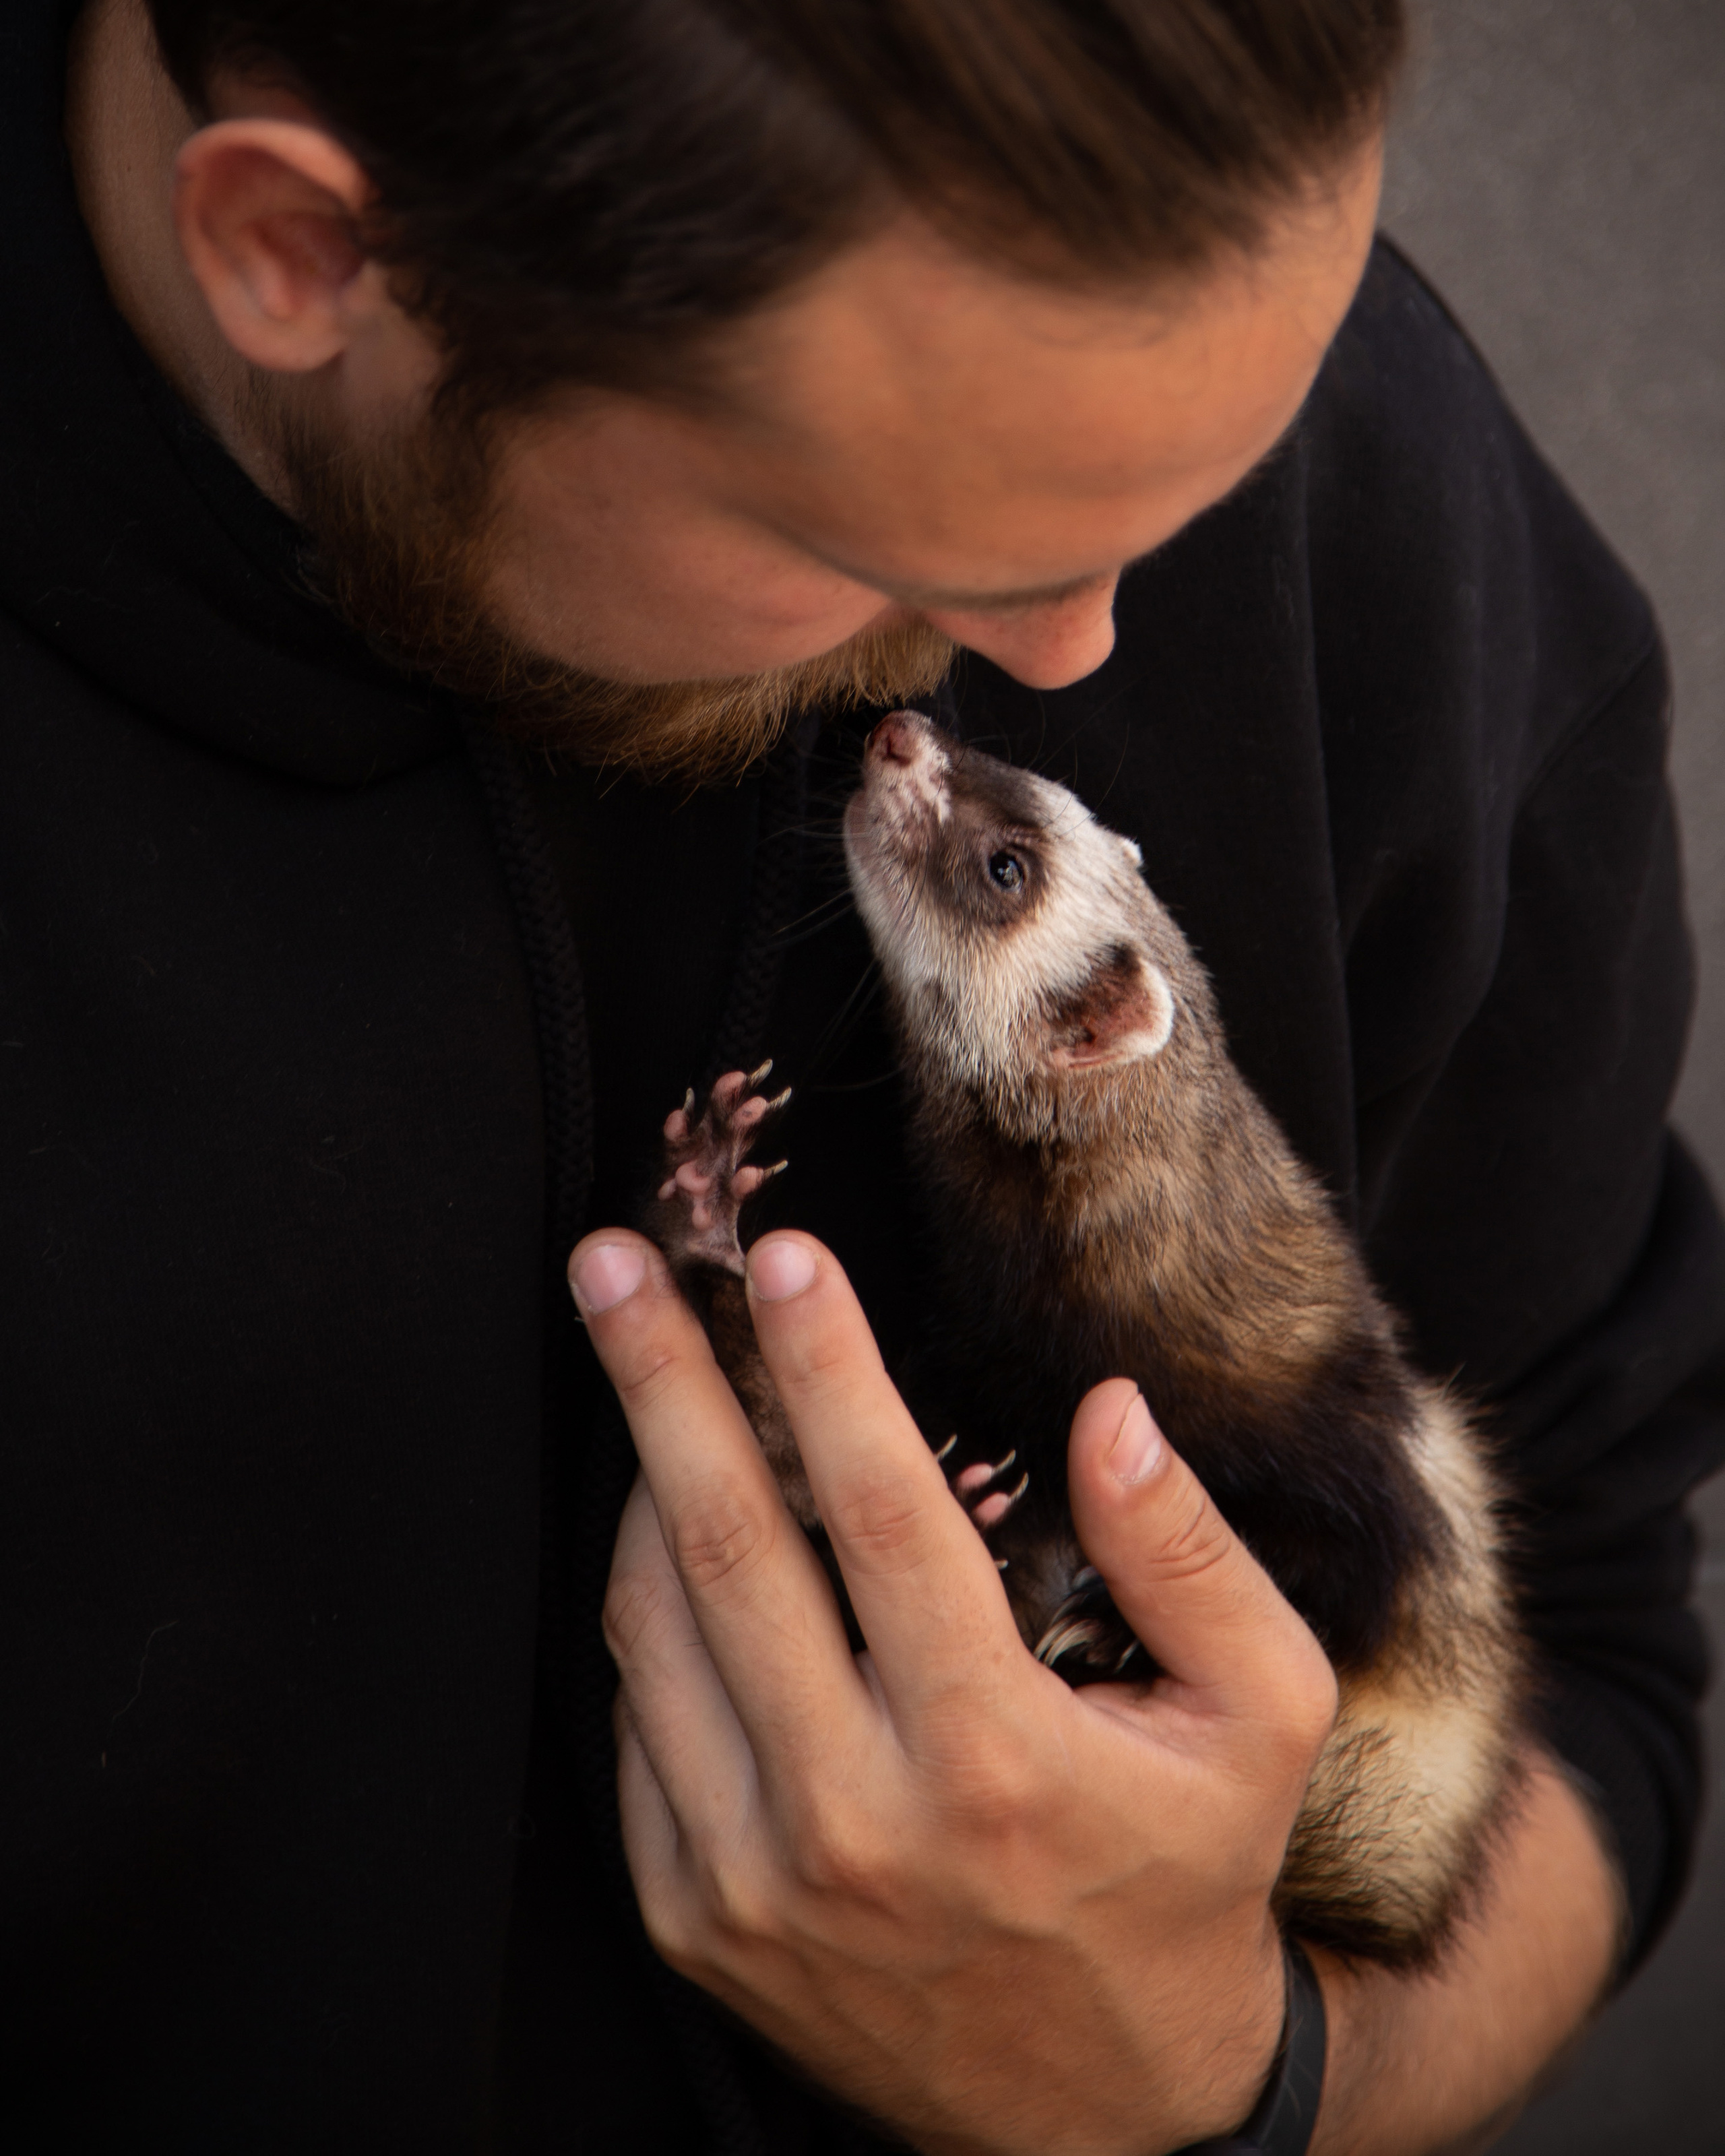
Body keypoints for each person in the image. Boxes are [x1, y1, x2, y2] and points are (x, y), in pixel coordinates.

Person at [3, 0, 1720, 2148]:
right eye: (879, 529)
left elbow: (1610, 1671)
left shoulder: (1309, 440)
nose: (1075, 646)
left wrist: (1233, 2080)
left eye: (1208, 468)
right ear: (303, 251)